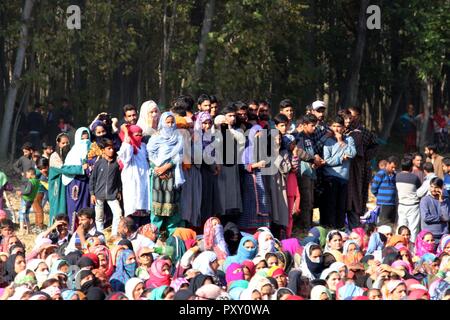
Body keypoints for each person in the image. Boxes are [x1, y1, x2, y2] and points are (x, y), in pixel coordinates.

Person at [147, 112, 185, 233]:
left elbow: (179, 156)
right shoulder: (155, 138)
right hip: (157, 176)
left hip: (173, 175)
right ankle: (154, 235)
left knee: (173, 208)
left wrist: (166, 167)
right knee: (157, 209)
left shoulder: (178, 138)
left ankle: (173, 237)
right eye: (167, 122)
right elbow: (150, 155)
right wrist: (157, 168)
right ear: (162, 123)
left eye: (172, 122)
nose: (170, 125)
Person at [321, 115, 356, 229]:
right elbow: (326, 160)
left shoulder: (348, 139)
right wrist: (341, 159)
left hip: (343, 178)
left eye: (339, 126)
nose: (336, 129)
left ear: (343, 127)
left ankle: (340, 228)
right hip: (330, 176)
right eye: (334, 126)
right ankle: (330, 228)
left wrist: (341, 141)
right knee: (331, 204)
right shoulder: (328, 141)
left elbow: (352, 153)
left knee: (341, 205)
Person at [117, 124, 150, 227]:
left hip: (144, 182)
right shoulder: (127, 147)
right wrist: (126, 135)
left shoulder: (143, 147)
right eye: (136, 134)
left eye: (141, 134)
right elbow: (125, 157)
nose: (139, 137)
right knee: (133, 211)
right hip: (132, 183)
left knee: (144, 212)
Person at [89, 138, 122, 236]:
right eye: (109, 148)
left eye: (112, 148)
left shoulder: (116, 164)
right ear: (103, 150)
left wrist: (119, 191)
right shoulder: (99, 163)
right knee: (99, 216)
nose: (111, 150)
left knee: (118, 213)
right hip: (99, 195)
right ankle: (100, 235)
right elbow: (92, 179)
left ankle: (114, 234)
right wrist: (92, 194)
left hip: (112, 194)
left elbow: (118, 179)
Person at [62, 127, 92, 233]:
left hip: (88, 183)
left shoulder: (93, 150)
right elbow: (65, 169)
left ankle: (86, 231)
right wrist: (81, 169)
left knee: (86, 207)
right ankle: (74, 232)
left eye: (87, 139)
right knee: (75, 207)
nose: (85, 142)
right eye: (82, 139)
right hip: (76, 183)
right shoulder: (73, 153)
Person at [395, 157, 422, 242]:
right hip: (413, 206)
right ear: (411, 167)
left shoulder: (397, 176)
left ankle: (400, 244)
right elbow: (419, 189)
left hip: (402, 205)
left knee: (401, 227)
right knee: (413, 229)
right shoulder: (414, 177)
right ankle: (412, 248)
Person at [371, 156, 398, 225]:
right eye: (392, 167)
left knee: (391, 224)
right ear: (388, 164)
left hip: (392, 204)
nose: (394, 169)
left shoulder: (394, 175)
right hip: (383, 204)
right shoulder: (381, 174)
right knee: (383, 224)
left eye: (395, 167)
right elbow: (373, 188)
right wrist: (380, 196)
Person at [16, 169, 40, 235]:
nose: (26, 175)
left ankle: (21, 230)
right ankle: (28, 230)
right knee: (26, 214)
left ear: (31, 174)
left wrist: (21, 192)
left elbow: (28, 191)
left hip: (26, 200)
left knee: (22, 214)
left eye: (27, 174)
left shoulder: (31, 181)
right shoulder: (37, 181)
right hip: (31, 200)